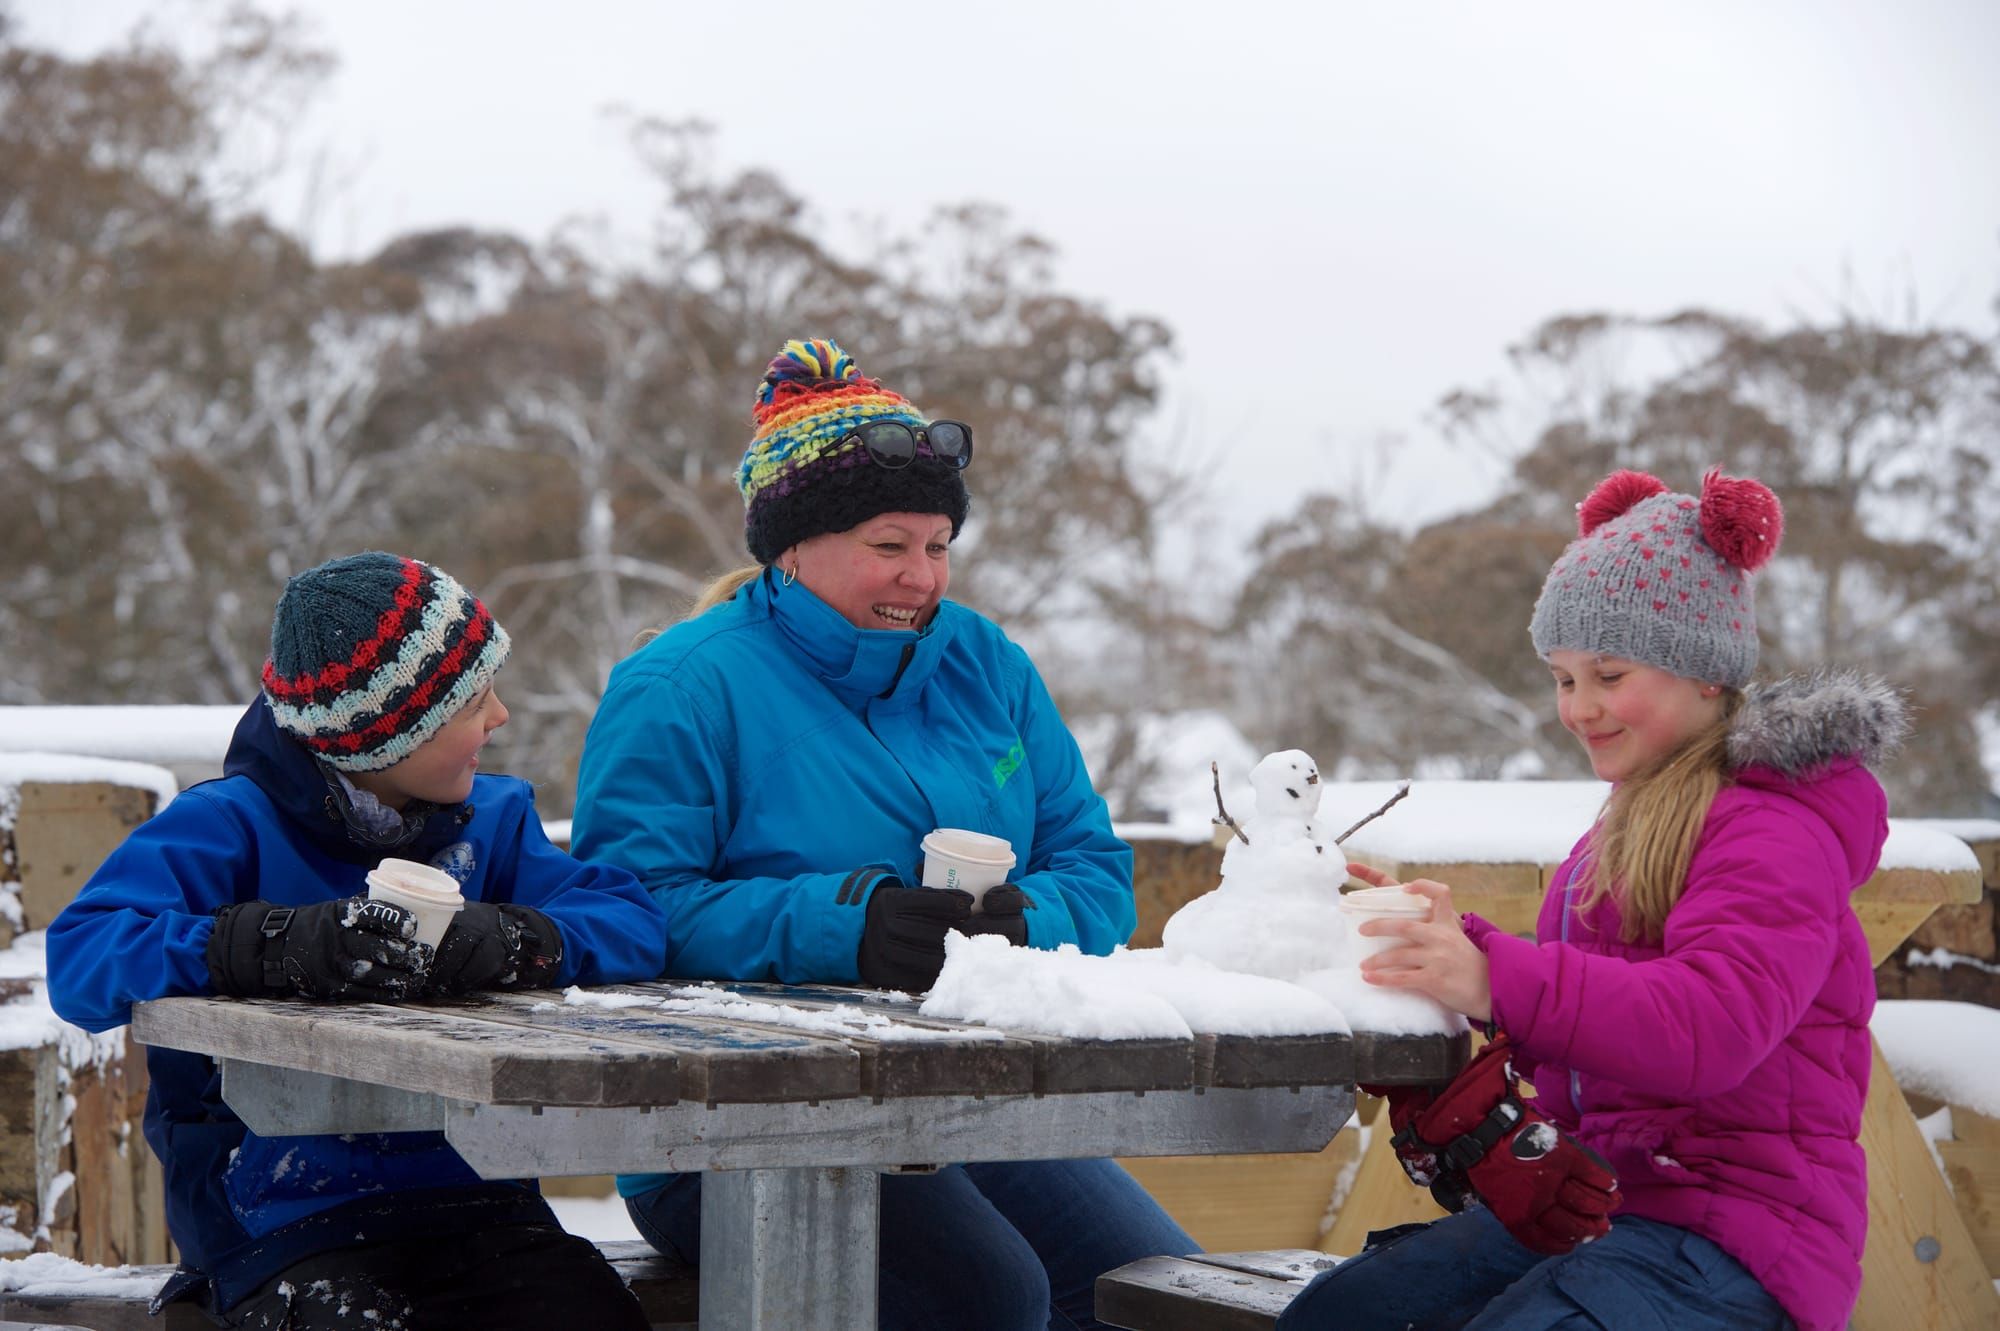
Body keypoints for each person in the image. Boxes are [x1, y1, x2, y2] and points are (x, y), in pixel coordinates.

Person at [571, 337, 1195, 1331]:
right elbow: (630, 907)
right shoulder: (683, 685)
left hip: (970, 1095)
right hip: (736, 1114)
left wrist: (1027, 918)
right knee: (984, 1295)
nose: (921, 575)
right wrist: (846, 925)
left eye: (938, 544)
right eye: (888, 544)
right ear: (791, 546)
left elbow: (1095, 863)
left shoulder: (984, 663)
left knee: (1153, 1288)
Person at [1276, 469, 1901, 1331]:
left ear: (1707, 673)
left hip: (1741, 1236)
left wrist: (1493, 973)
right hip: (1603, 1201)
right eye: (1564, 679)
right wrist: (1448, 948)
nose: (1580, 708)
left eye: (1608, 673)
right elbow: (1592, 1010)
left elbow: (1708, 1027)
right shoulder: (1633, 814)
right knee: (1346, 1314)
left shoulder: (1774, 829)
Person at [46, 553, 670, 1331]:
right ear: (385, 736)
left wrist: (515, 938)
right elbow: (81, 955)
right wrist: (267, 944)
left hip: (482, 1200)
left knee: (591, 1315)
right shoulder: (228, 827)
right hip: (278, 1220)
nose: (501, 716)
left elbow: (631, 920)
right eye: (474, 700)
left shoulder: (494, 822)